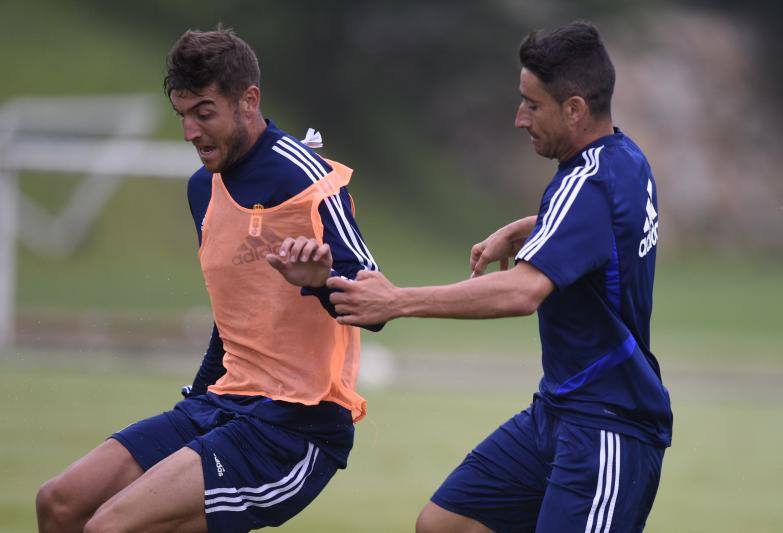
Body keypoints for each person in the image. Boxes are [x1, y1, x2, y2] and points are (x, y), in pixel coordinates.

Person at [324, 21, 673, 533]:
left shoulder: (589, 183)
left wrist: (396, 300)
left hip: (609, 426)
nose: (519, 117)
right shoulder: (625, 158)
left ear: (574, 108)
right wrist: (528, 227)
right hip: (557, 412)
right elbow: (606, 231)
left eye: (533, 104)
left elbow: (523, 290)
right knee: (446, 523)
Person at [35, 26, 381, 533]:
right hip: (219, 404)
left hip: (294, 426)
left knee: (110, 526)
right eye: (182, 115)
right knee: (60, 503)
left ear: (248, 101)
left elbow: (375, 305)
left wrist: (320, 279)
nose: (190, 132)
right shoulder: (203, 189)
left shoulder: (305, 175)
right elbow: (234, 317)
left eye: (204, 113)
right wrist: (199, 397)